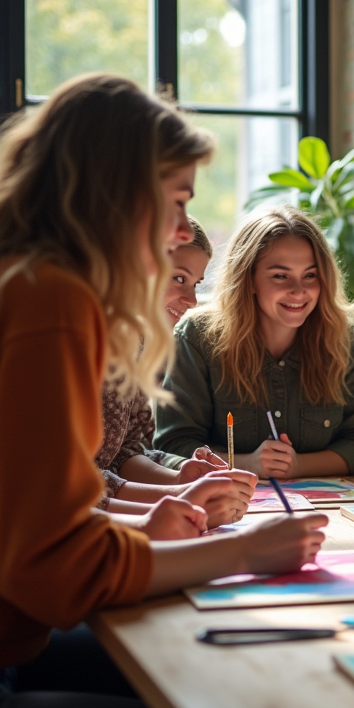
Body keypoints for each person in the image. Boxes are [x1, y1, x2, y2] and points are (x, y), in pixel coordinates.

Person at [0, 73, 327, 708]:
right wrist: (240, 552)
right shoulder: (50, 302)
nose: (183, 231)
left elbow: (26, 519)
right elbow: (54, 572)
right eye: (178, 203)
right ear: (118, 192)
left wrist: (156, 520)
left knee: (211, 675)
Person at [155, 206, 354, 478]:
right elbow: (173, 446)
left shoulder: (344, 341)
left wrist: (298, 466)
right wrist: (246, 464)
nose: (298, 290)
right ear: (248, 279)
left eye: (310, 275)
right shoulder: (197, 338)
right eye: (280, 276)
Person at [97, 218, 248, 539]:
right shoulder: (87, 341)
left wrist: (179, 478)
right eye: (179, 278)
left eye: (195, 284)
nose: (192, 300)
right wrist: (182, 501)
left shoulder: (142, 343)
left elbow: (122, 452)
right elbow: (65, 485)